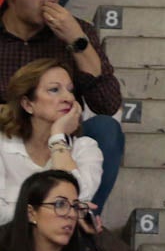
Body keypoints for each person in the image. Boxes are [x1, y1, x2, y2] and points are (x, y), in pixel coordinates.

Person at [0, 0, 121, 211]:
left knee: (106, 129)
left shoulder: (77, 31)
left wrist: (78, 42)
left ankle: (81, 224)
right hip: (6, 141)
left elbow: (108, 104)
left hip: (59, 141)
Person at [0, 62, 101, 224]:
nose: (68, 98)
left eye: (70, 90)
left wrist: (57, 136)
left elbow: (75, 201)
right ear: (27, 104)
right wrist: (53, 211)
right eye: (54, 90)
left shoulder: (86, 149)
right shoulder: (2, 144)